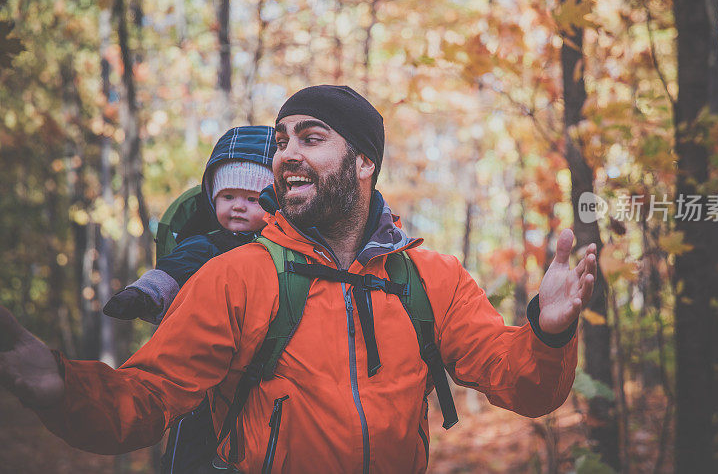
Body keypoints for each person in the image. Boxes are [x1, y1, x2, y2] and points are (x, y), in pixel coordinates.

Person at [0, 85, 597, 474]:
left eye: (311, 139)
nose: (285, 154)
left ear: (364, 163)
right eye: (281, 141)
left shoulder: (431, 278)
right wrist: (61, 385)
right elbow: (148, 396)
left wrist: (546, 334)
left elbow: (526, 388)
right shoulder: (236, 275)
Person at [102, 124, 277, 324]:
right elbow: (172, 271)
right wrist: (143, 295)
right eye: (228, 196)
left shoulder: (283, 245)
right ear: (212, 200)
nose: (238, 206)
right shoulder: (205, 245)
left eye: (252, 199)